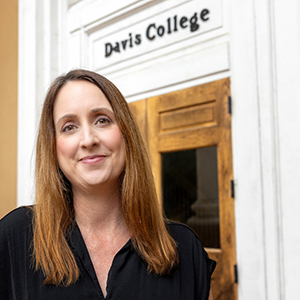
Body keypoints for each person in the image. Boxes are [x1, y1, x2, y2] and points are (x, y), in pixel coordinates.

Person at [0, 69, 216, 300]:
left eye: (102, 120)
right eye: (69, 127)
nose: (88, 140)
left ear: (127, 134)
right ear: (53, 148)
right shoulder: (14, 238)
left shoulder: (184, 248)